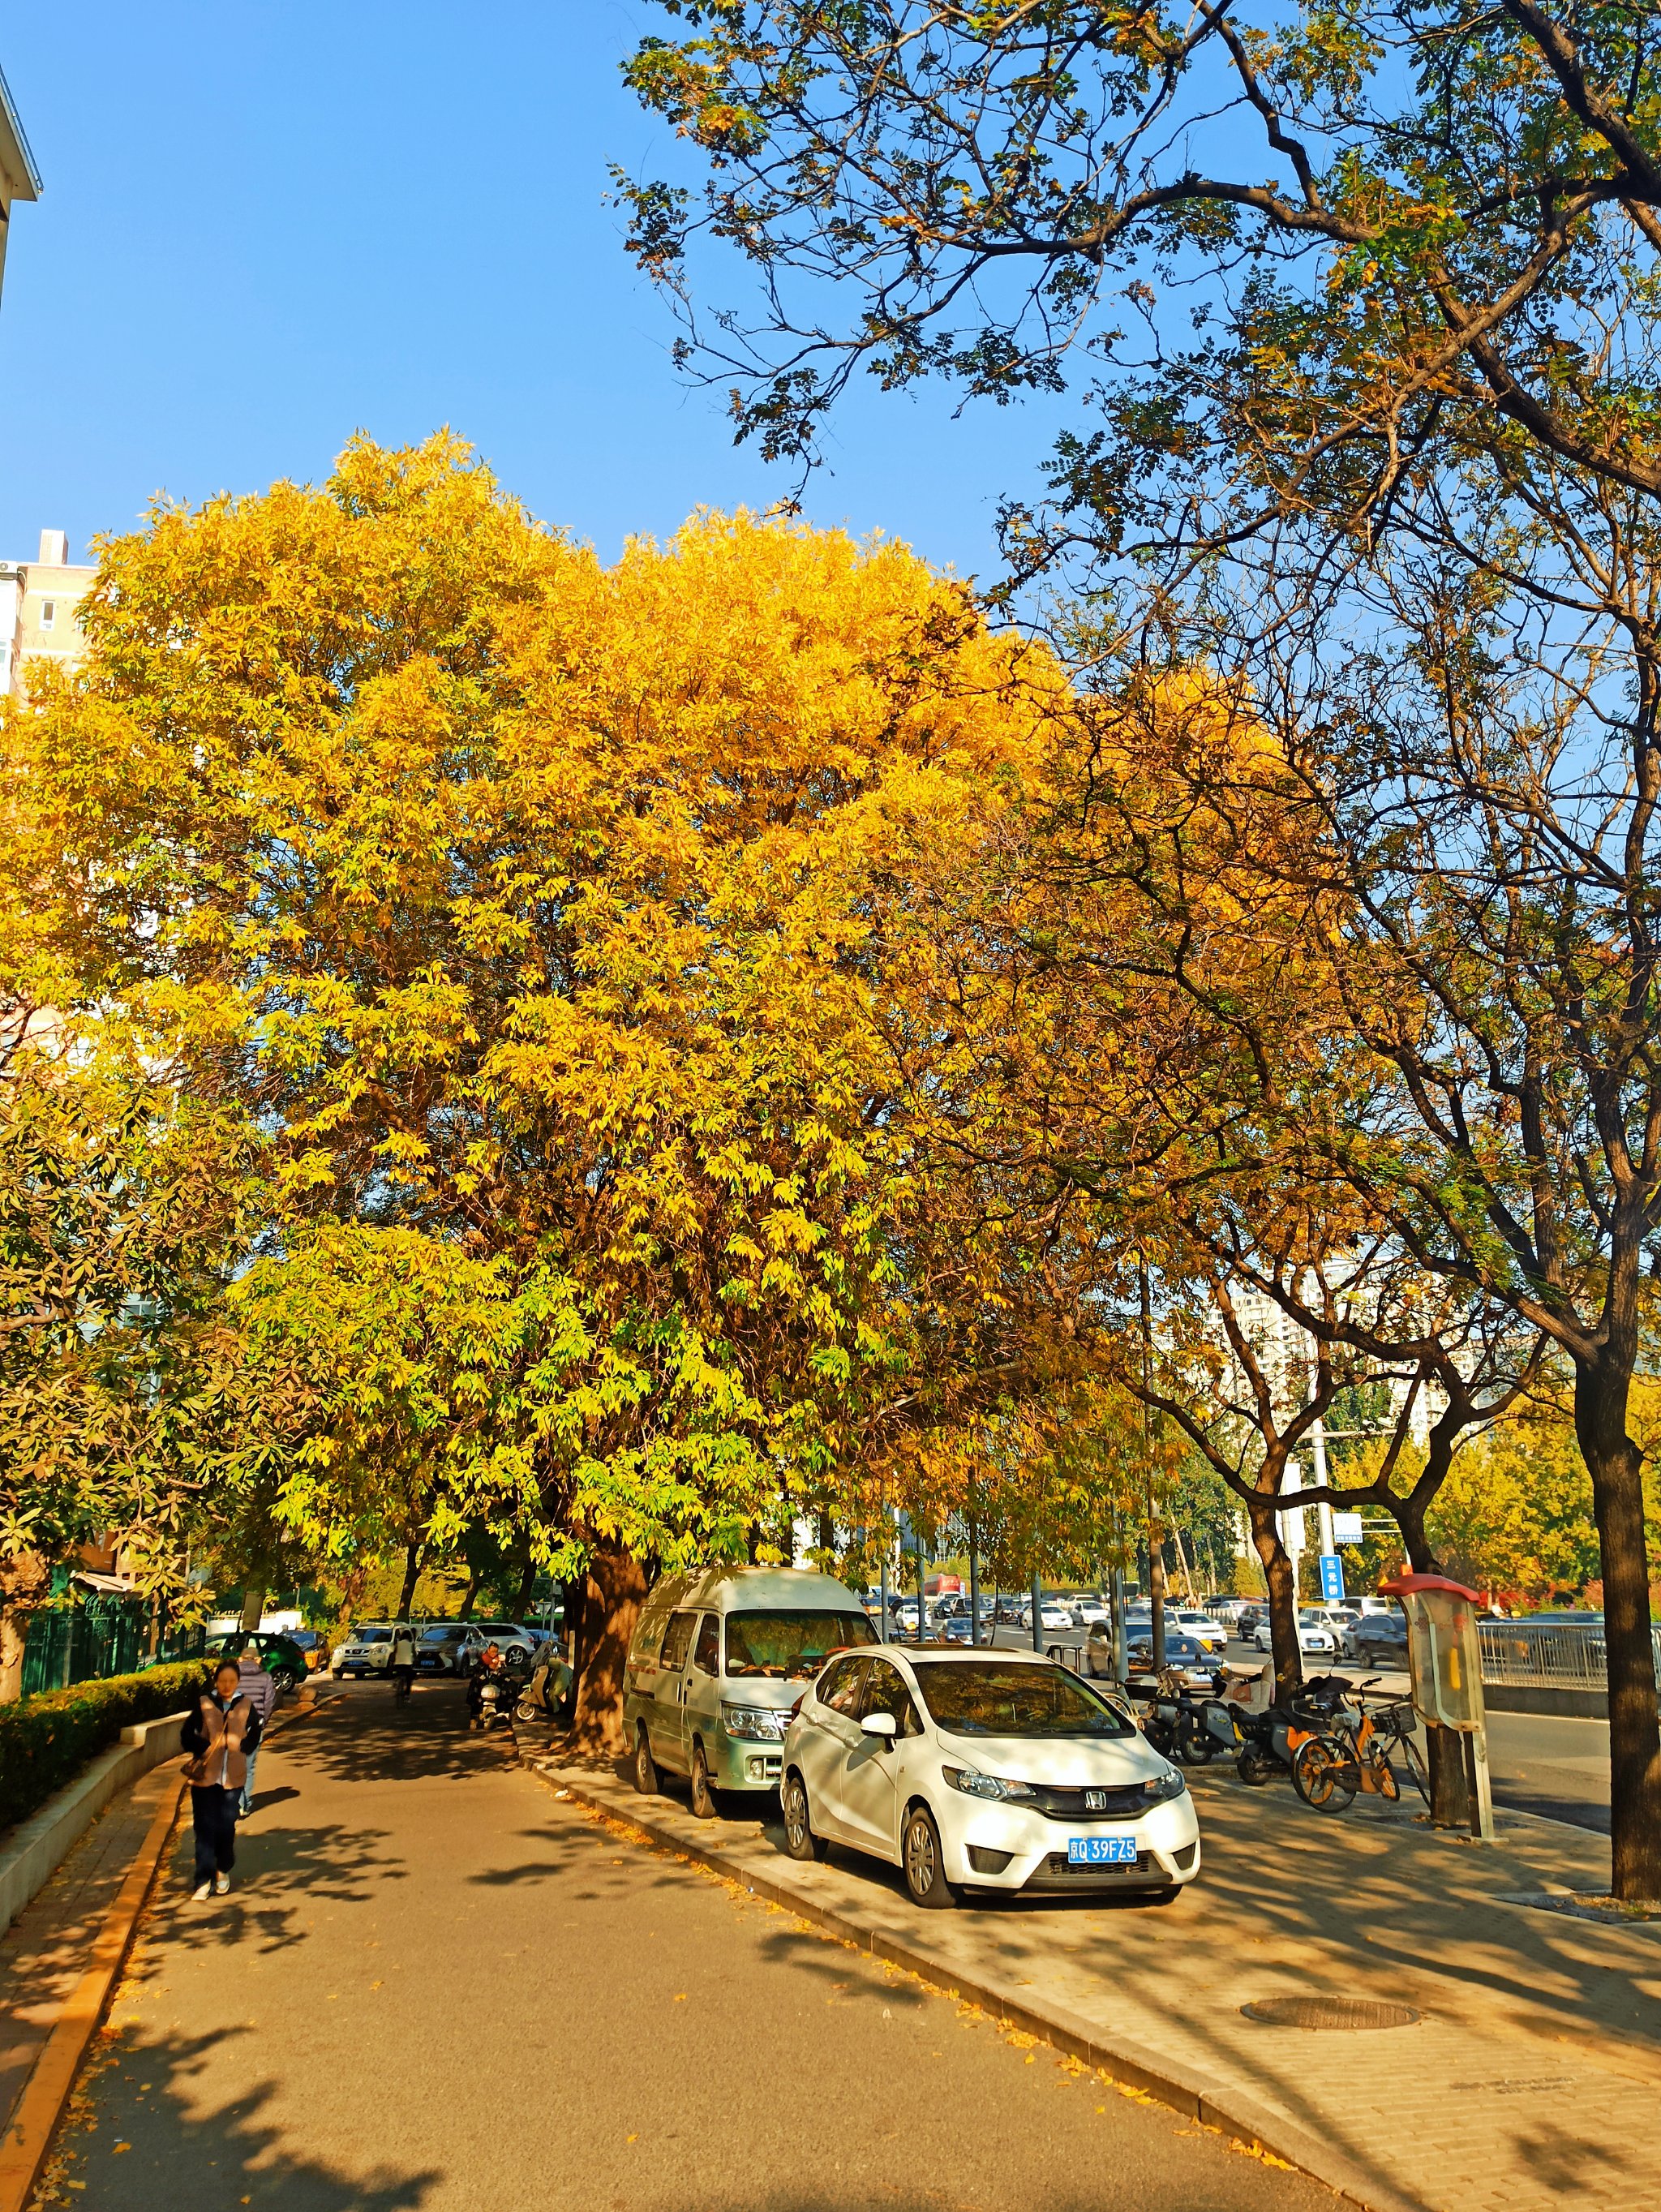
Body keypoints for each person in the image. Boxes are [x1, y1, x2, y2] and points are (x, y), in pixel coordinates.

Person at [182, 1659, 262, 1901]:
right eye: (223, 1680)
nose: (227, 1685)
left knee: (226, 1828)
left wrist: (244, 1747)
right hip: (206, 1778)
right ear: (216, 1681)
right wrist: (204, 1747)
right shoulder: (204, 1704)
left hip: (233, 1780)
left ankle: (222, 1869)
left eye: (232, 1681)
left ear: (238, 1681)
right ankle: (202, 1881)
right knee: (204, 1829)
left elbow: (256, 1732)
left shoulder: (246, 1704)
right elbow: (186, 1735)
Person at [234, 1642, 278, 1815]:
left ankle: (238, 1802)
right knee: (249, 1766)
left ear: (239, 1659)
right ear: (258, 1660)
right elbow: (269, 1702)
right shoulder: (266, 1677)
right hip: (254, 1726)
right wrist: (263, 1720)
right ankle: (243, 1804)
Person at [390, 1621, 417, 1700]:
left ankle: (396, 1681)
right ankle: (407, 1695)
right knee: (409, 1679)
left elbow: (394, 1653)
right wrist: (416, 1660)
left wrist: (393, 1661)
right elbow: (414, 1655)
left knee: (397, 1673)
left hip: (398, 1664)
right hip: (407, 1664)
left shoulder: (398, 1644)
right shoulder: (411, 1644)